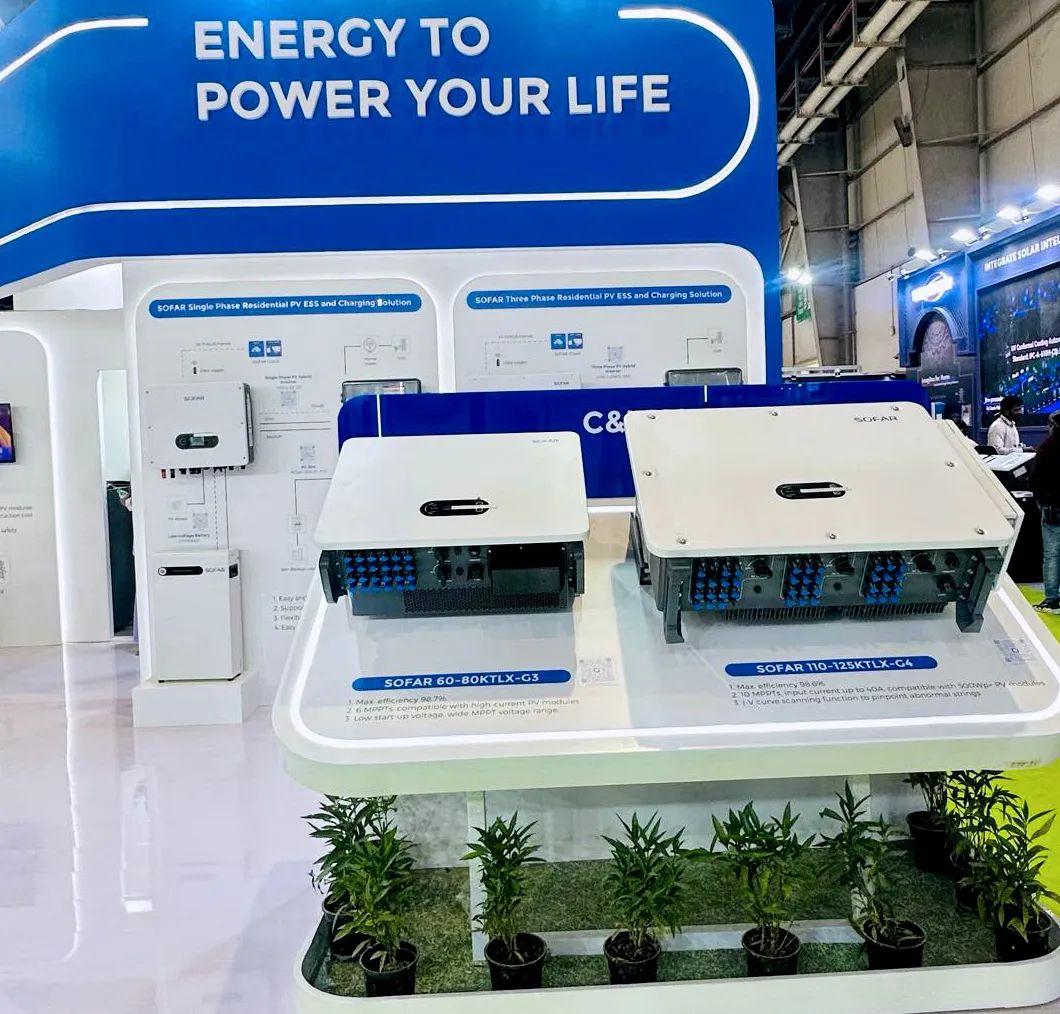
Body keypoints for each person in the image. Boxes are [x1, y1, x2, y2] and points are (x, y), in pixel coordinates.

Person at [1032, 411, 1060, 614]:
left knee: (1052, 554)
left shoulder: (1047, 447)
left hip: (1052, 507)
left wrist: (1040, 499)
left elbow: (1036, 478)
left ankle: (1052, 600)